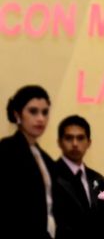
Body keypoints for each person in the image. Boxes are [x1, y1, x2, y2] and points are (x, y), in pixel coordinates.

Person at [0, 85, 57, 238]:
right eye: (33, 111)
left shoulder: (46, 159)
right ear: (17, 114)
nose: (41, 118)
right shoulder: (5, 151)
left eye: (45, 112)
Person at [54, 115, 104, 239]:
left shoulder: (102, 183)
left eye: (80, 138)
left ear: (89, 142)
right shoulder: (49, 177)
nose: (75, 143)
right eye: (69, 138)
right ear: (59, 142)